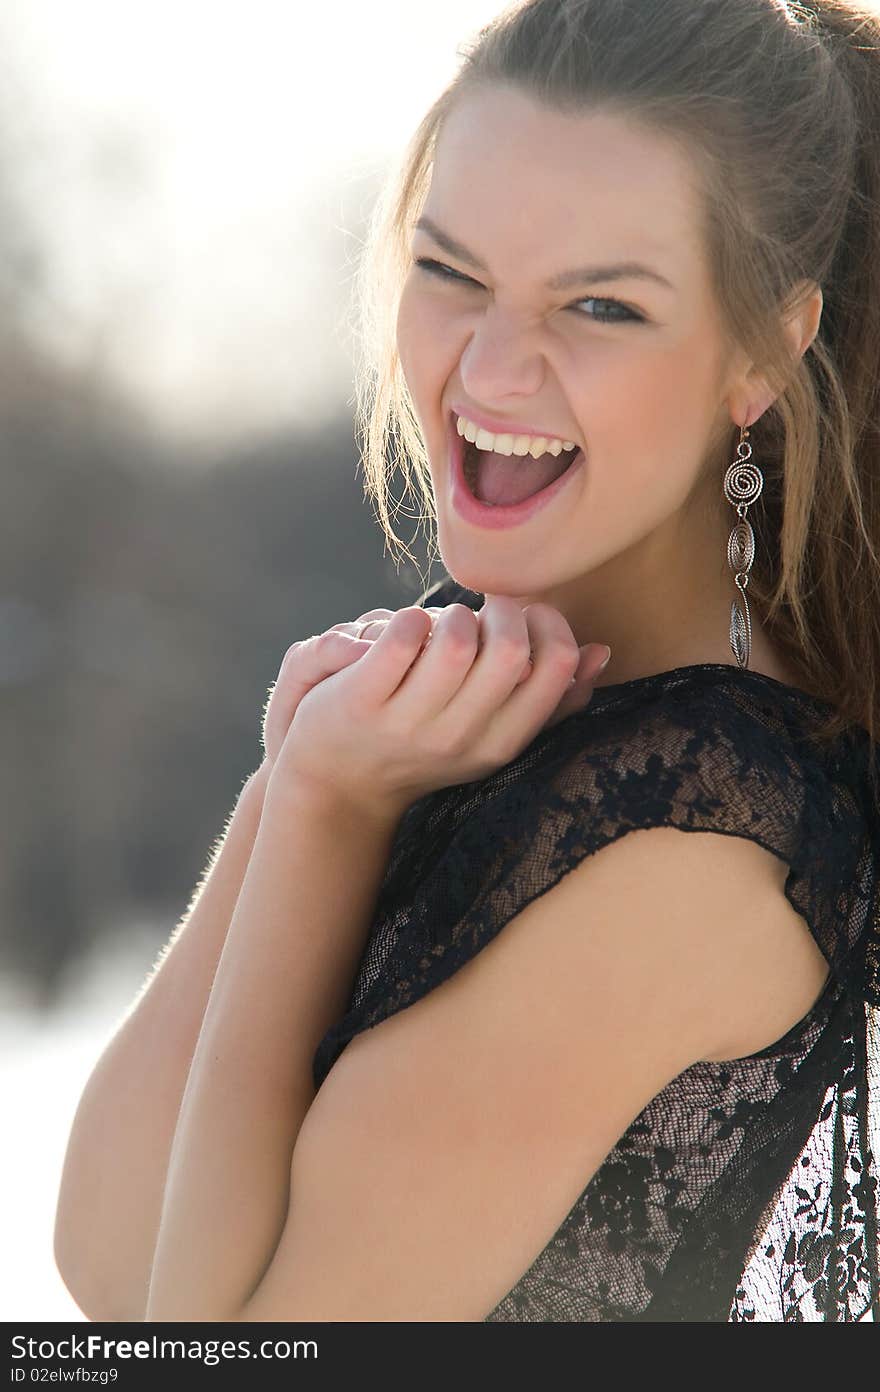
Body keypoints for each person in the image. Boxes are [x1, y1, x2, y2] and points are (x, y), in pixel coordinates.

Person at [55, 0, 880, 1322]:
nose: (490, 367)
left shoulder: (696, 849)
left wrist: (323, 814)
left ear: (762, 351)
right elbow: (104, 1254)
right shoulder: (471, 684)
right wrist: (292, 786)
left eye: (602, 305)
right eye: (453, 273)